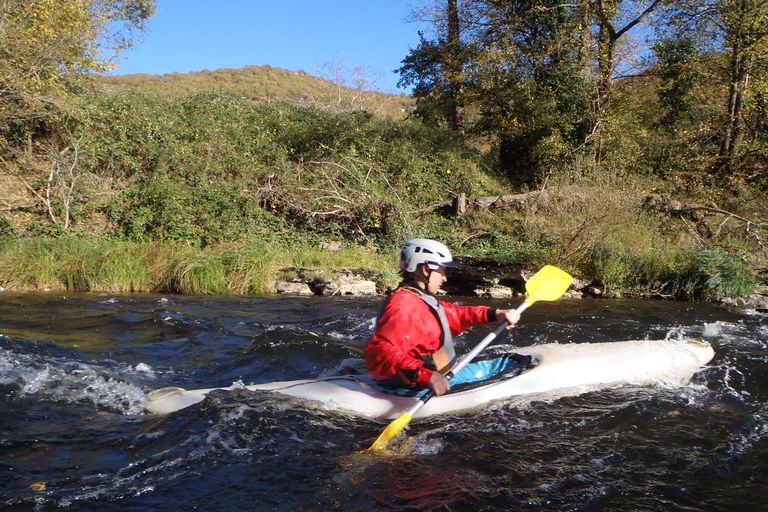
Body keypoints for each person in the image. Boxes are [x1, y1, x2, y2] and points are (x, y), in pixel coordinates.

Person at [364, 238, 522, 396]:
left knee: (513, 360)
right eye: (442, 271)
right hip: (416, 388)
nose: (444, 278)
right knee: (515, 363)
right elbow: (380, 351)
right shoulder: (403, 304)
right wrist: (426, 375)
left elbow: (456, 315)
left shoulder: (418, 299)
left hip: (435, 378)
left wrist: (495, 313)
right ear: (426, 269)